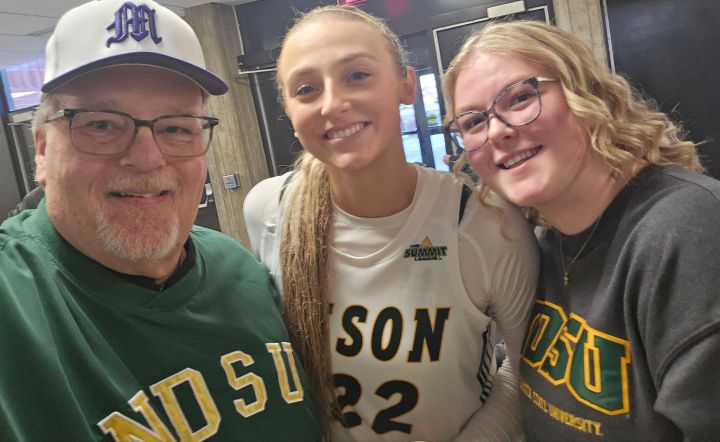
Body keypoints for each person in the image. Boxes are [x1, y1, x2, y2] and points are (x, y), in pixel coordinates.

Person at [0, 0, 319, 440]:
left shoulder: (239, 270)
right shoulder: (14, 301)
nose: (147, 158)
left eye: (176, 127)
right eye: (101, 125)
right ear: (41, 148)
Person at [243, 5, 538, 441]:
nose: (333, 104)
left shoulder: (484, 223)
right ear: (287, 110)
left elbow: (530, 374)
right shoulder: (269, 209)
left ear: (406, 85)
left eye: (357, 75)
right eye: (306, 89)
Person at [443, 20, 720, 441]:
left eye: (520, 98)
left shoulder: (687, 231)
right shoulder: (544, 238)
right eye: (474, 122)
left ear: (586, 93)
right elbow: (523, 368)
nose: (496, 130)